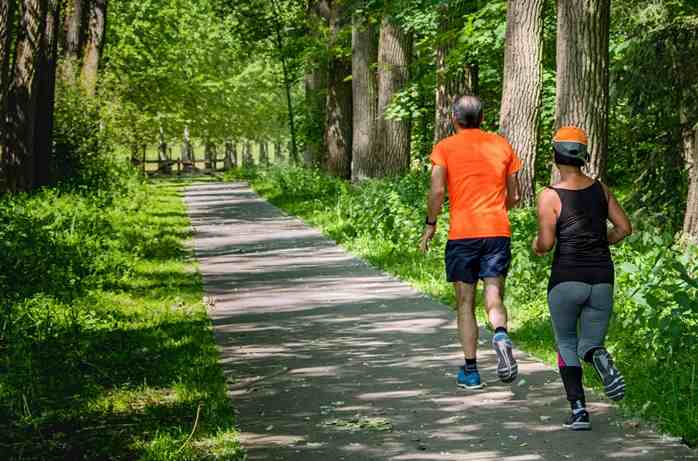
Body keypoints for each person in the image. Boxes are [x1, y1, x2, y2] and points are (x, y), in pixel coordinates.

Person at [532, 127, 632, 430]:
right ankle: (598, 355)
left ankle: (578, 411)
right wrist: (601, 241)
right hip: (601, 278)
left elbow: (546, 244)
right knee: (589, 343)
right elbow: (624, 228)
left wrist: (534, 246)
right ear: (583, 156)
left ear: (556, 155)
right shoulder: (600, 189)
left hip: (566, 278)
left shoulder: (549, 195)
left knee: (566, 343)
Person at [420, 95, 521, 390]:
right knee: (494, 294)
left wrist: (431, 223)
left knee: (465, 303)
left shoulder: (445, 148)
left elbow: (437, 191)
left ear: (454, 118)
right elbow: (514, 196)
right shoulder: (501, 145)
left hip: (463, 235)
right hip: (496, 232)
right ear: (482, 118)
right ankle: (500, 334)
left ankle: (471, 371)